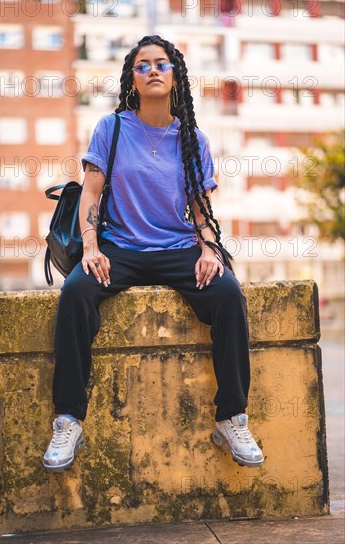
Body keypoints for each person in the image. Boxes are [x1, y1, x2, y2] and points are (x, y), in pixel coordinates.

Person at [43, 35, 264, 473]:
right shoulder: (113, 128)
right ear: (132, 79)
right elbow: (90, 193)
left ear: (176, 75)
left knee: (227, 294)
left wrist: (208, 248)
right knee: (75, 293)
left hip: (177, 248)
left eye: (161, 64)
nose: (153, 71)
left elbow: (201, 208)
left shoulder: (192, 139)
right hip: (120, 249)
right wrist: (90, 246)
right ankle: (68, 419)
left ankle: (232, 417)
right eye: (142, 65)